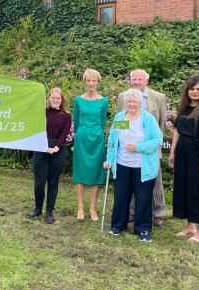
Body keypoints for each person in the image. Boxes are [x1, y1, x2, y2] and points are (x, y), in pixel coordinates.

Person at [104, 88, 162, 242]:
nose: (132, 104)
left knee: (143, 198)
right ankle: (117, 225)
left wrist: (139, 147)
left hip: (142, 166)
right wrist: (109, 159)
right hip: (122, 164)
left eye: (135, 101)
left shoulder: (147, 119)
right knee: (121, 196)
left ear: (140, 103)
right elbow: (112, 141)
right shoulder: (120, 117)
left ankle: (143, 229)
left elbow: (158, 139)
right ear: (125, 102)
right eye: (129, 101)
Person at [168, 75, 199, 242]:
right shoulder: (184, 107)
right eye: (192, 89)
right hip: (183, 152)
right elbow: (177, 131)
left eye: (198, 89)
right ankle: (190, 226)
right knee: (185, 188)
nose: (195, 92)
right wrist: (173, 152)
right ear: (187, 91)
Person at [117, 69, 167, 226]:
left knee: (155, 182)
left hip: (150, 148)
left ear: (147, 80)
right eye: (134, 79)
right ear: (130, 80)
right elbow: (120, 121)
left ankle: (158, 213)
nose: (137, 82)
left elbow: (162, 124)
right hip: (129, 149)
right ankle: (132, 213)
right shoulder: (123, 96)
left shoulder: (158, 97)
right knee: (131, 182)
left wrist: (150, 145)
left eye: (140, 79)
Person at [28, 88, 72, 224]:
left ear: (62, 100)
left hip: (57, 150)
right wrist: (41, 145)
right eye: (53, 98)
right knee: (39, 183)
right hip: (41, 148)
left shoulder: (66, 115)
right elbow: (34, 127)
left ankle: (49, 212)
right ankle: (37, 209)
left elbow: (64, 133)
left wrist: (55, 148)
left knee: (53, 183)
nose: (55, 100)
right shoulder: (42, 112)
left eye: (58, 98)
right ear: (49, 99)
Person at [72, 69, 108, 221]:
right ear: (84, 82)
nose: (91, 83)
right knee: (80, 171)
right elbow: (77, 120)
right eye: (88, 80)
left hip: (97, 139)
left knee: (96, 172)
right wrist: (82, 133)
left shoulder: (103, 101)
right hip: (82, 138)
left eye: (94, 80)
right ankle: (80, 207)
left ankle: (93, 208)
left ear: (98, 82)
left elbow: (102, 122)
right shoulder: (78, 100)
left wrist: (95, 133)